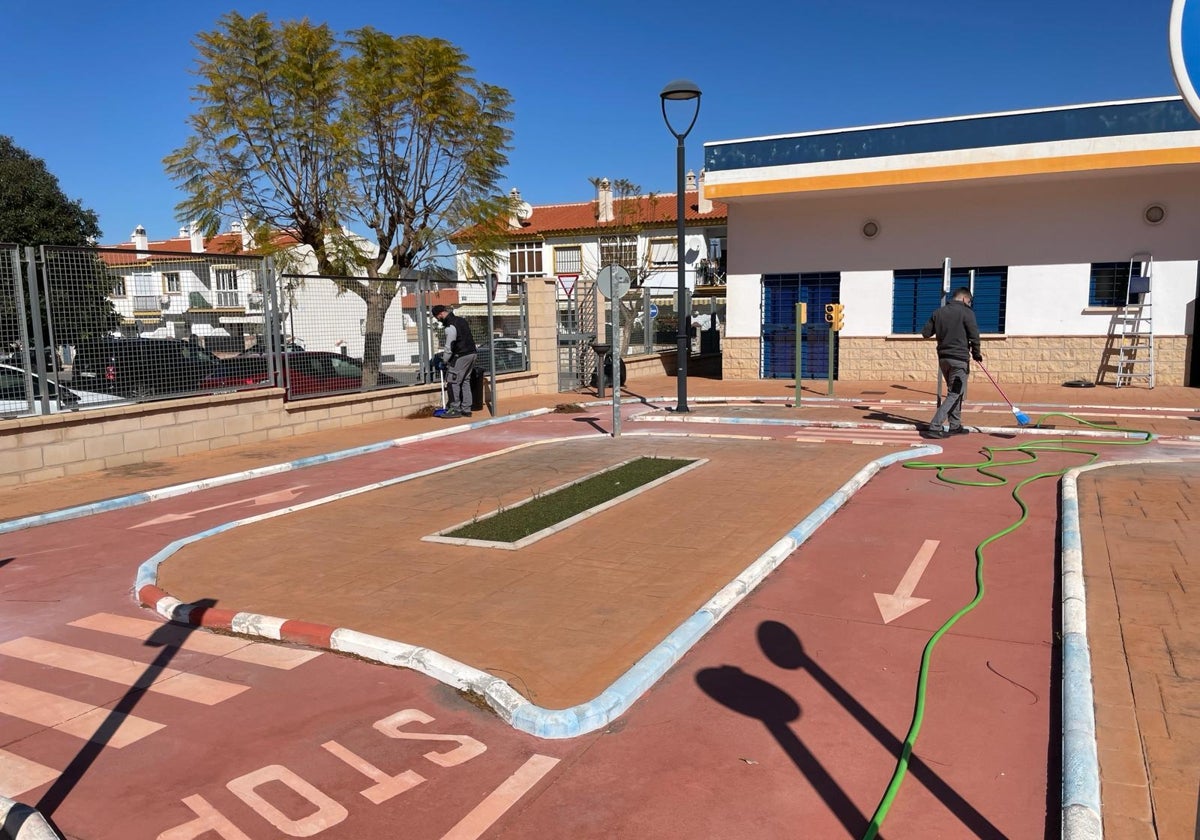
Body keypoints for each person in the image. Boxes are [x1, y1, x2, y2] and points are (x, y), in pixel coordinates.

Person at [921, 286, 982, 439]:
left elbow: (925, 333)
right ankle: (935, 426)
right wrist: (976, 354)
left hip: (944, 360)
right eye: (969, 301)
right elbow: (974, 335)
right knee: (954, 393)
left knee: (956, 393)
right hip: (959, 361)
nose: (969, 304)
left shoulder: (938, 312)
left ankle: (955, 425)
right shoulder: (967, 313)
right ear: (964, 298)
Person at [431, 304, 477, 418]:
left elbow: (449, 346)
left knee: (452, 381)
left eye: (437, 318)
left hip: (461, 355)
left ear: (441, 314)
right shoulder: (461, 320)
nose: (438, 320)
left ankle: (455, 409)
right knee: (465, 380)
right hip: (472, 353)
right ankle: (466, 409)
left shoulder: (450, 326)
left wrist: (445, 360)